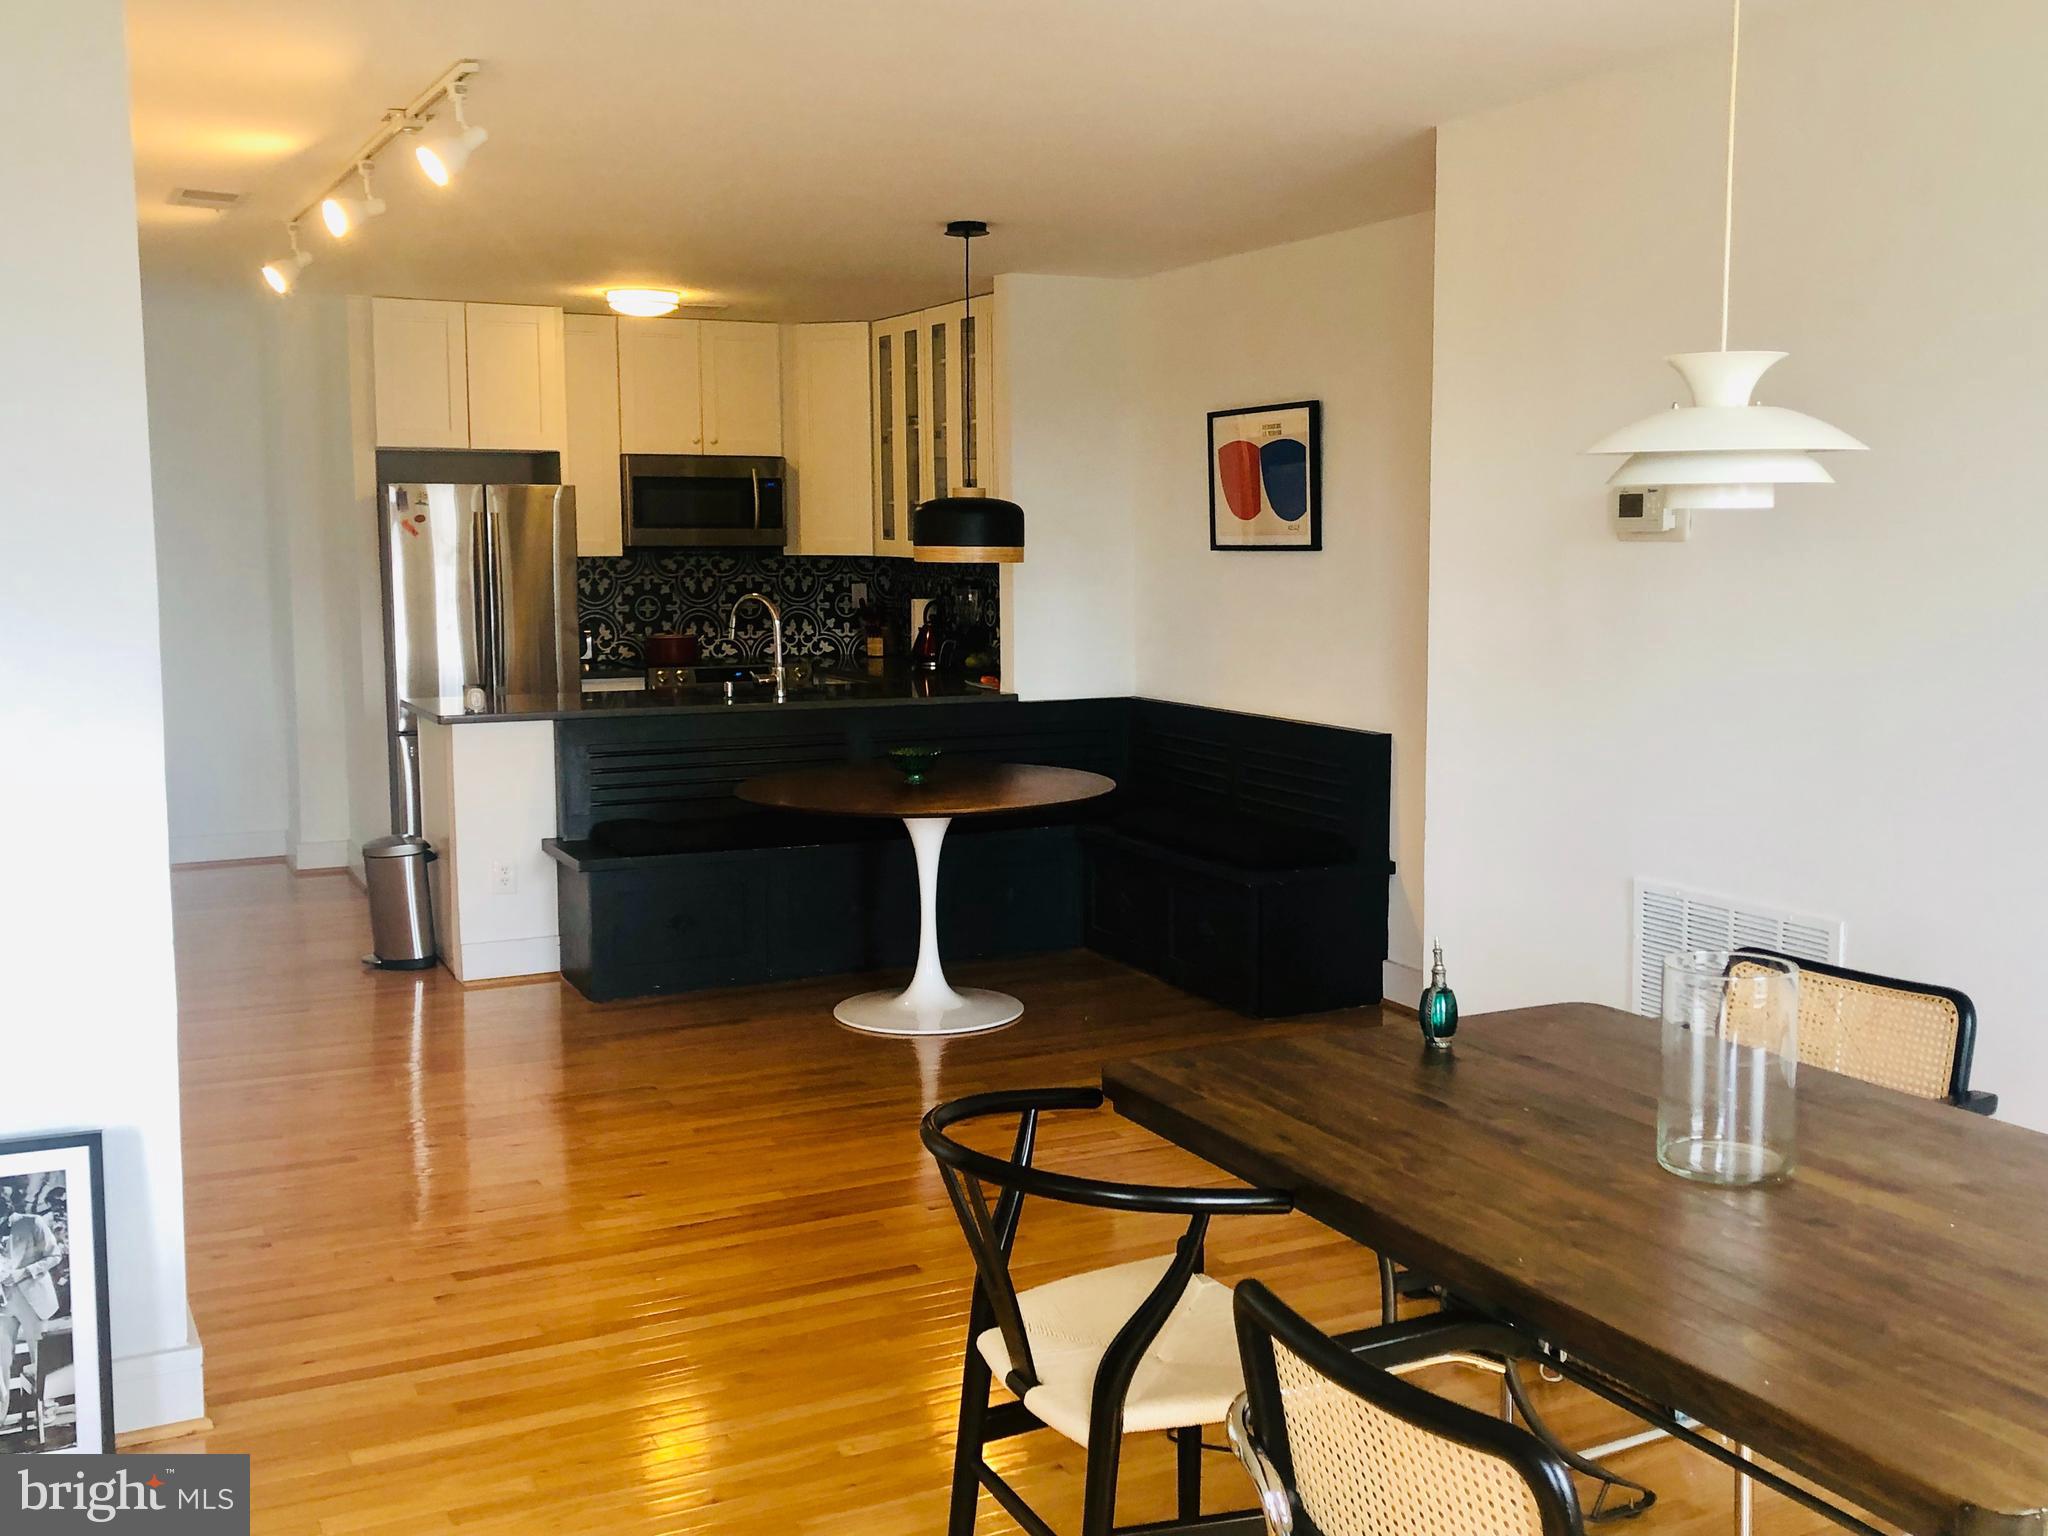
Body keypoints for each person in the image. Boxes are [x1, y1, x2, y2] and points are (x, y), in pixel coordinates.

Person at [1, 1203, 64, 1433]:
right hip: (3, 1303)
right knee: (0, 1361)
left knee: (40, 1355)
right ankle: (0, 1413)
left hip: (33, 1299)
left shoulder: (31, 1222)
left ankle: (46, 1406)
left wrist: (23, 1272)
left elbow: (55, 1255)